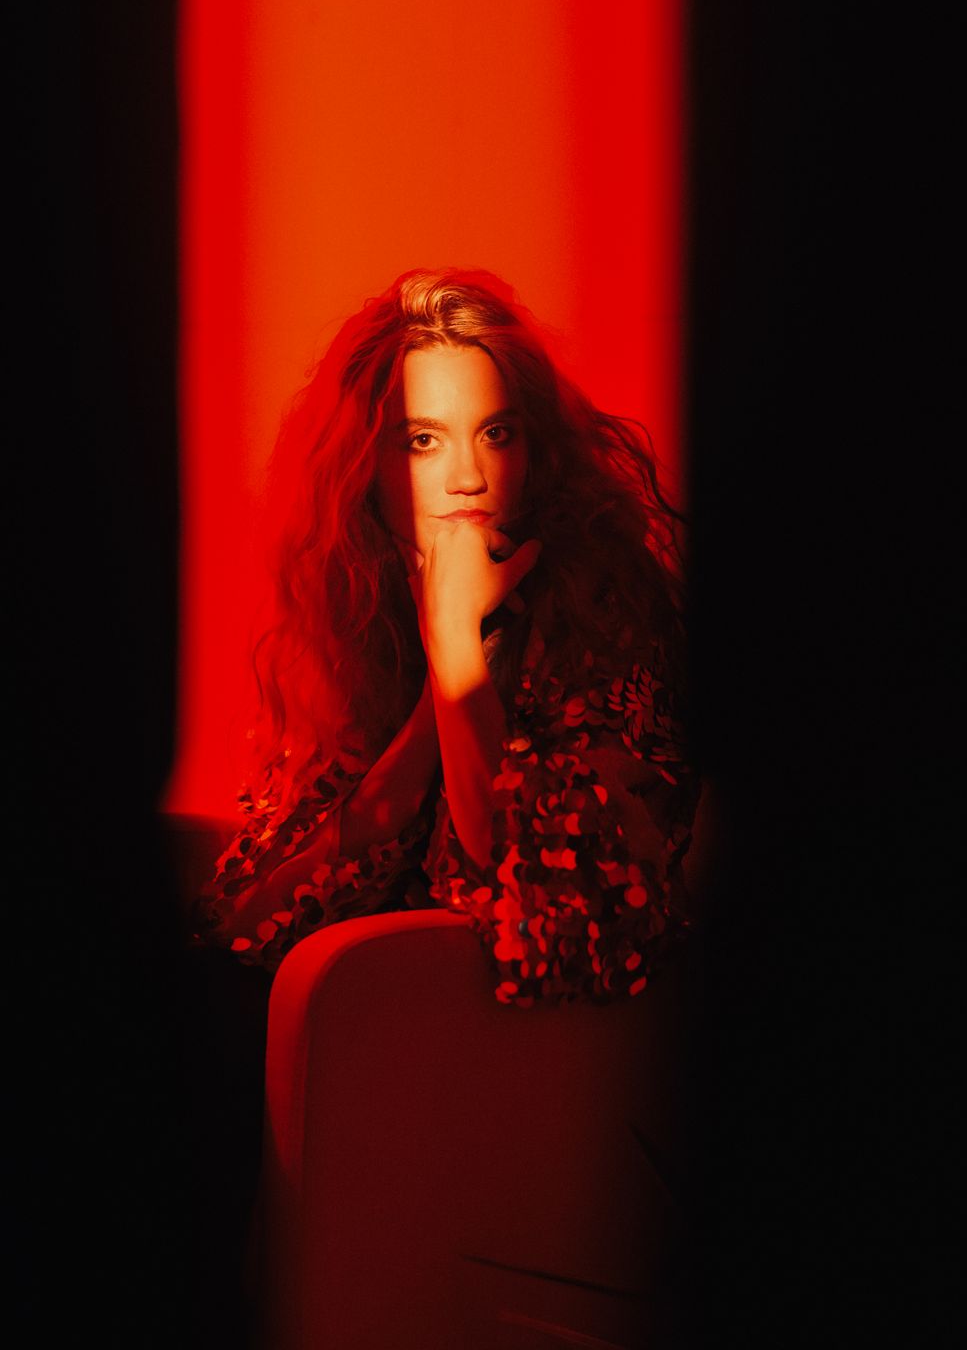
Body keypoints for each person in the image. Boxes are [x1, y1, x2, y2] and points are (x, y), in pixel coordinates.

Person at [192, 268, 698, 1006]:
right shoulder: (371, 616)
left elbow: (536, 909)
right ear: (364, 466)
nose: (468, 476)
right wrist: (437, 661)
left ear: (536, 449)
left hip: (544, 1062)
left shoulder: (608, 616)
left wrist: (459, 645)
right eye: (423, 440)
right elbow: (244, 922)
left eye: (496, 433)